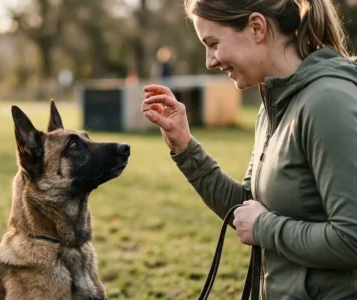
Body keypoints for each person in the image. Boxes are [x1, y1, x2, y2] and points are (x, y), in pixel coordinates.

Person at [141, 0, 357, 299]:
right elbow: (247, 210)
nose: (210, 61)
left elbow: (351, 240)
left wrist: (265, 228)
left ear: (257, 27)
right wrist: (185, 148)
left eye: (213, 43)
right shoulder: (272, 105)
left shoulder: (329, 102)